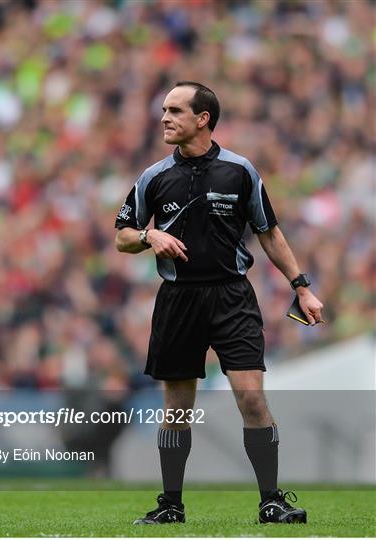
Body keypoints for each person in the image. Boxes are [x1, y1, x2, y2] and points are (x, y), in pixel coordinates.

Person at [114, 81, 323, 525]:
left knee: (251, 400)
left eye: (174, 110)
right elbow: (122, 236)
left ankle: (272, 501)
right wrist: (150, 235)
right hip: (178, 300)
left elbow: (269, 231)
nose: (165, 118)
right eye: (164, 110)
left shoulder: (241, 170)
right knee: (177, 409)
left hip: (233, 297)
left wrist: (301, 286)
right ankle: (171, 505)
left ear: (202, 118)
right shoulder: (153, 176)